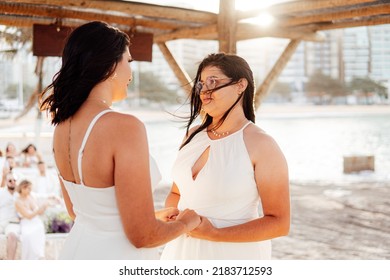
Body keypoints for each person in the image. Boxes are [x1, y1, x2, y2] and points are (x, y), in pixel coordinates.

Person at [39, 21, 200, 260]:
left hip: (77, 252)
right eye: (129, 61)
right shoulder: (125, 127)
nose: (131, 73)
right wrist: (187, 222)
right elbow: (142, 236)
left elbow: (80, 211)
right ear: (111, 65)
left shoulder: (61, 126)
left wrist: (151, 215)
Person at [160, 53, 290, 260]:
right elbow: (177, 193)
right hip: (182, 253)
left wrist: (215, 234)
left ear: (240, 85)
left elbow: (279, 223)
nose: (205, 91)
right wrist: (174, 216)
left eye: (214, 81)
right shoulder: (192, 135)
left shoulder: (262, 145)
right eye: (202, 84)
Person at [14, 180, 48, 260]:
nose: (30, 190)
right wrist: (39, 210)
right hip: (26, 222)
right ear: (22, 188)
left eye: (30, 188)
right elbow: (28, 216)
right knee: (28, 236)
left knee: (39, 228)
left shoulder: (31, 197)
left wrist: (43, 208)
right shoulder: (17, 201)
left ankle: (38, 256)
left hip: (36, 222)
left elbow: (37, 211)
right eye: (28, 188)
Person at [0, 172, 20, 259]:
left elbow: (36, 196)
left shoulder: (21, 193)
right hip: (1, 221)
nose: (12, 182)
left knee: (12, 236)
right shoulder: (1, 192)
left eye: (14, 180)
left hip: (13, 223)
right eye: (10, 180)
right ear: (6, 181)